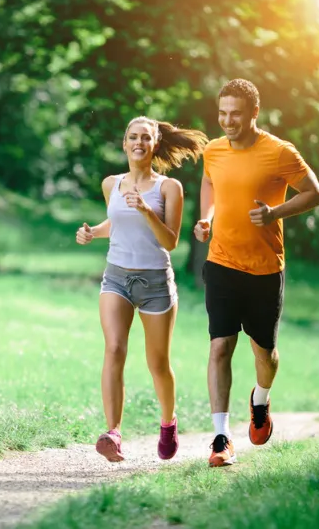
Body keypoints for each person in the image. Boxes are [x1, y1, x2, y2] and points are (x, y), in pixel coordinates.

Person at [195, 79, 319, 467]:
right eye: (222, 113)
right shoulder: (213, 150)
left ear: (254, 113)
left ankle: (261, 400)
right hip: (221, 262)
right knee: (220, 346)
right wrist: (206, 217)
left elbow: (315, 194)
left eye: (235, 114)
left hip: (265, 269)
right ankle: (220, 437)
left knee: (264, 353)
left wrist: (273, 213)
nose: (227, 121)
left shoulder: (279, 152)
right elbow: (209, 182)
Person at [76, 115, 208, 462]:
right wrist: (93, 232)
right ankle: (113, 433)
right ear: (124, 143)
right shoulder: (111, 184)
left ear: (155, 144)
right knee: (115, 348)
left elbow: (171, 241)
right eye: (132, 137)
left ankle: (168, 423)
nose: (138, 142)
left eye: (145, 138)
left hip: (155, 284)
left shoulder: (169, 188)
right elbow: (117, 223)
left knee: (158, 363)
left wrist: (149, 210)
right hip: (116, 276)